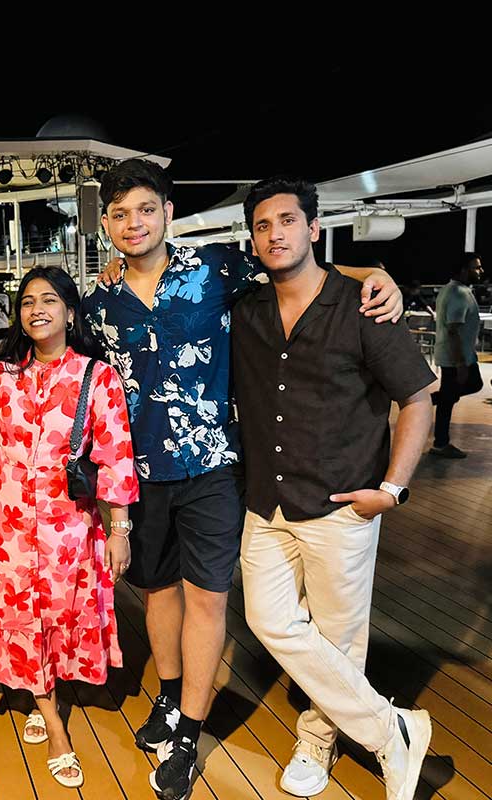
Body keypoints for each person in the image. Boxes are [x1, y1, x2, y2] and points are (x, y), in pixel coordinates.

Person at [82, 159, 404, 800]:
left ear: (168, 212)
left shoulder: (216, 269)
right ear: (107, 225)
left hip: (213, 469)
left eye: (145, 209)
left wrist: (376, 273)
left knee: (207, 599)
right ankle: (169, 696)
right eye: (119, 214)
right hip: (138, 476)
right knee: (158, 593)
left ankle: (189, 733)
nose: (133, 223)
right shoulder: (98, 304)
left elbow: (300, 267)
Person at [234, 177, 437, 799]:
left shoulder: (362, 306)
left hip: (342, 502)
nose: (275, 234)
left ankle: (317, 740)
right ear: (252, 238)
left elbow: (418, 397)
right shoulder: (246, 308)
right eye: (263, 225)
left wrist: (393, 489)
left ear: (314, 228)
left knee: (340, 637)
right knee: (268, 618)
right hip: (266, 500)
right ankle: (390, 728)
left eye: (288, 221)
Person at [0, 267, 138, 789]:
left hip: (68, 526)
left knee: (59, 610)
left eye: (49, 300)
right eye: (28, 301)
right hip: (5, 525)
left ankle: (42, 690)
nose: (37, 309)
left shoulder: (97, 377)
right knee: (19, 612)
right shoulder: (1, 376)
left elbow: (116, 456)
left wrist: (119, 530)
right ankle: (53, 719)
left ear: (70, 312)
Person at [430, 253, 484, 458]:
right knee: (466, 388)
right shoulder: (458, 293)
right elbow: (453, 330)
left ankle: (440, 441)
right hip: (455, 358)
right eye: (476, 267)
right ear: (463, 270)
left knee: (451, 396)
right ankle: (440, 442)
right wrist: (460, 363)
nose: (480, 271)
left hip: (457, 356)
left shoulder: (451, 290)